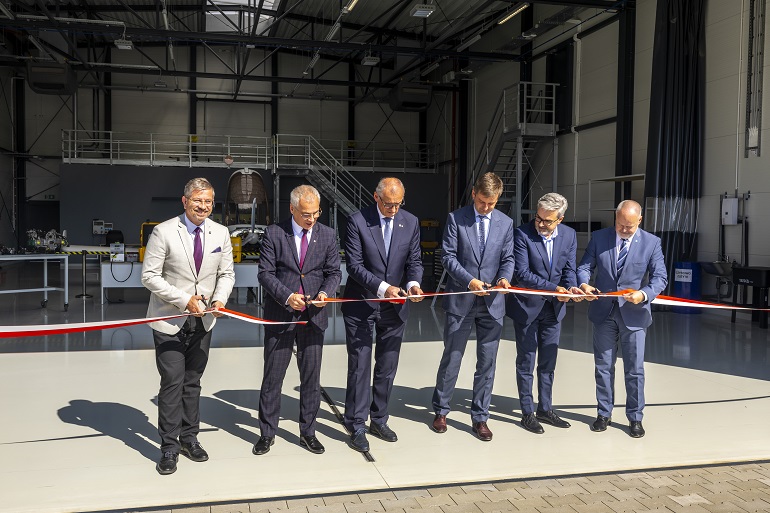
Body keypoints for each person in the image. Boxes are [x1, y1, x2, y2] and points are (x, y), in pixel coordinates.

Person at [141, 177, 235, 475]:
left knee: (193, 382)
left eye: (208, 201)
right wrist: (184, 300)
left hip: (203, 321)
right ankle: (169, 447)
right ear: (185, 201)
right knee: (173, 382)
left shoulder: (221, 233)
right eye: (197, 201)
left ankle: (189, 438)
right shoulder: (164, 231)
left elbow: (226, 274)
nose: (203, 206)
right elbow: (149, 276)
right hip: (169, 320)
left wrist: (219, 300)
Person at [253, 185, 341, 456]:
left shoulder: (328, 235)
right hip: (281, 315)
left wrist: (325, 293)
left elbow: (334, 273)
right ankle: (267, 433)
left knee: (311, 378)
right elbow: (265, 273)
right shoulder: (274, 233)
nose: (311, 218)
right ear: (292, 209)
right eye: (305, 214)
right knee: (273, 378)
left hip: (313, 317)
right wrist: (287, 296)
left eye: (315, 213)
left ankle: (308, 432)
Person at [342, 177, 424, 453]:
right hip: (362, 304)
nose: (393, 209)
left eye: (398, 204)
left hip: (395, 307)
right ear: (376, 197)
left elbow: (414, 260)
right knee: (360, 366)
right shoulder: (357, 221)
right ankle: (356, 424)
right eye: (389, 204)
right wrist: (384, 288)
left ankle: (379, 419)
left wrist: (413, 284)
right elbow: (354, 266)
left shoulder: (410, 222)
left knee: (387, 367)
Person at [431, 172, 514, 441]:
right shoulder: (456, 219)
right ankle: (441, 410)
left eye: (492, 203)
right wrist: (470, 281)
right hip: (462, 299)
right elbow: (448, 256)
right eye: (482, 202)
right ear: (474, 194)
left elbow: (508, 258)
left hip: (492, 303)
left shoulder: (505, 223)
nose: (486, 208)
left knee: (487, 362)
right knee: (452, 357)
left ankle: (480, 417)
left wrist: (504, 279)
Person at [577, 199, 667, 438]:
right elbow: (584, 267)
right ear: (615, 219)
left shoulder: (651, 243)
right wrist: (585, 284)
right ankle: (603, 413)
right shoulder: (599, 238)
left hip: (634, 314)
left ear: (640, 220)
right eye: (620, 225)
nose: (624, 230)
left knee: (634, 369)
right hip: (604, 312)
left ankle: (635, 417)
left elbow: (660, 278)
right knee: (603, 366)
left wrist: (644, 294)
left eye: (630, 226)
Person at [506, 192, 583, 435]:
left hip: (554, 309)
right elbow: (522, 274)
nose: (540, 224)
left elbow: (569, 269)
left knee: (548, 361)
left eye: (547, 221)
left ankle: (545, 409)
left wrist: (571, 288)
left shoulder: (569, 235)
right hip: (527, 307)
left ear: (560, 219)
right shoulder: (522, 234)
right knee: (526, 361)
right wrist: (554, 289)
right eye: (538, 218)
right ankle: (527, 412)